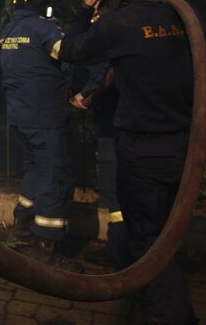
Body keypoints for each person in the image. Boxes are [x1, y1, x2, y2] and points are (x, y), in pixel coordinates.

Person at [59, 0, 197, 324]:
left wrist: (85, 9)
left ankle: (174, 315)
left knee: (146, 239)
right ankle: (152, 303)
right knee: (164, 233)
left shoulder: (121, 23)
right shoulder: (175, 16)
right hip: (184, 144)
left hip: (143, 149)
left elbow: (72, 49)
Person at [0, 0, 79, 271]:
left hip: (20, 117)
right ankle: (46, 248)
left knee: (34, 168)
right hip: (46, 116)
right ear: (41, 0)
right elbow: (70, 56)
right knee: (53, 176)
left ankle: (21, 225)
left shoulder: (8, 31)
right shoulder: (45, 30)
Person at [70, 63, 131, 269]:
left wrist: (85, 94)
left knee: (112, 189)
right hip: (134, 123)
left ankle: (119, 250)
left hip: (114, 124)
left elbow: (101, 71)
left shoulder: (110, 38)